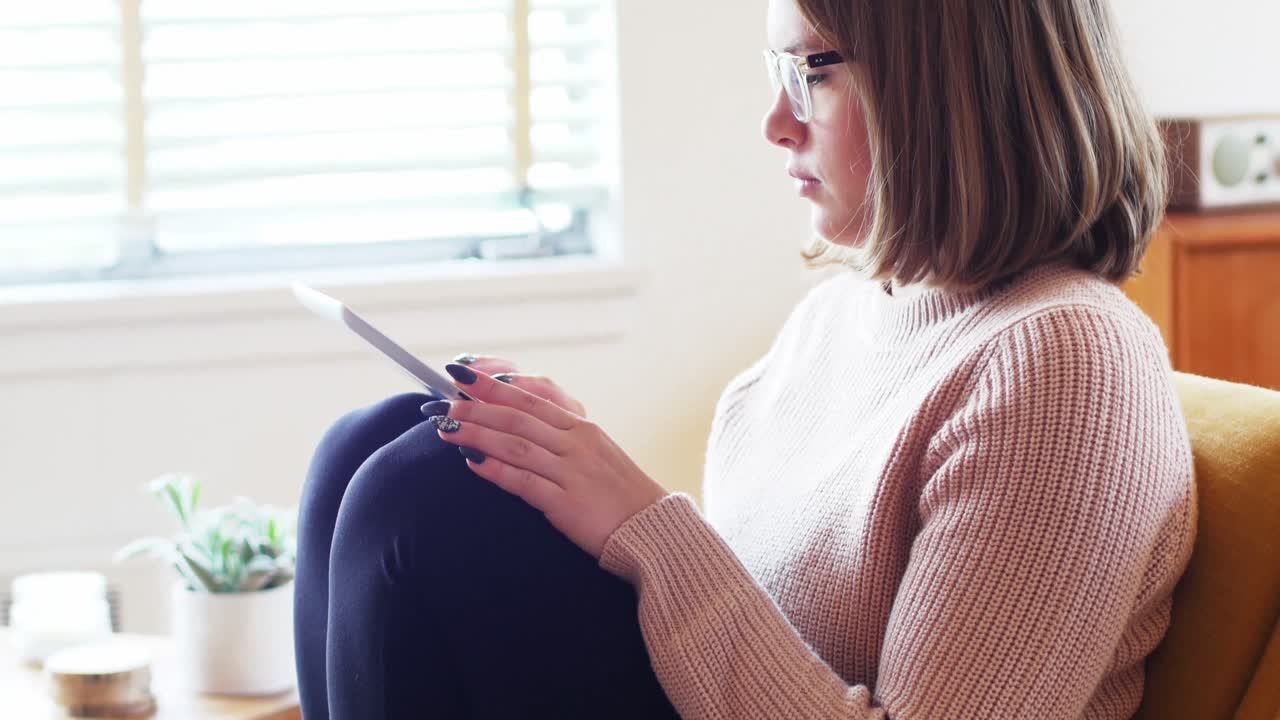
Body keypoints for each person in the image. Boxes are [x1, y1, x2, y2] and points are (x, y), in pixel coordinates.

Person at [293, 0, 1198, 717]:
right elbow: (751, 619)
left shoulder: (1070, 361)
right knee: (378, 445)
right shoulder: (835, 320)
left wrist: (644, 524)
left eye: (811, 72)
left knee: (415, 499)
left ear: (954, 83)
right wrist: (579, 478)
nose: (775, 121)